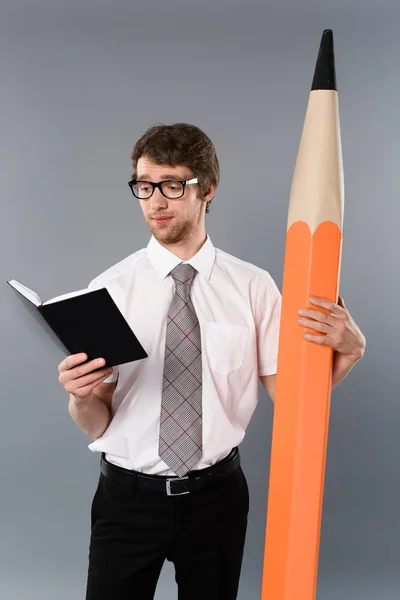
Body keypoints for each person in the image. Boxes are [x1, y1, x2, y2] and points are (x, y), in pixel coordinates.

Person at [57, 123, 366, 600]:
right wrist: (80, 397)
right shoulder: (108, 291)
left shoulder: (254, 287)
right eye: (144, 186)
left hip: (217, 500)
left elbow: (293, 403)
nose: (156, 202)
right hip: (126, 502)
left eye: (172, 186)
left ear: (208, 189)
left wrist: (349, 353)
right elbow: (96, 421)